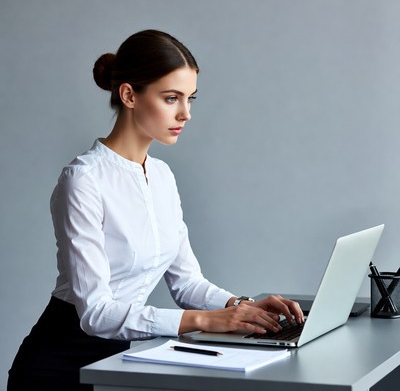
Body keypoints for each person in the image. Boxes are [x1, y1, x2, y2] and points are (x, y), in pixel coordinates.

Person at [8, 29, 304, 391]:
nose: (186, 113)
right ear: (129, 95)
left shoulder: (162, 175)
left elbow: (186, 282)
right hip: (57, 366)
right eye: (171, 98)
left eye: (190, 98)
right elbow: (97, 314)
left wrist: (243, 308)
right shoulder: (83, 180)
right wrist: (208, 321)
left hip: (116, 363)